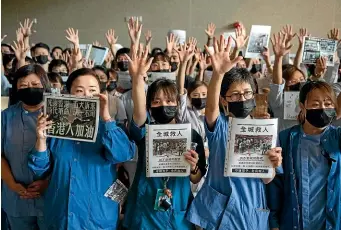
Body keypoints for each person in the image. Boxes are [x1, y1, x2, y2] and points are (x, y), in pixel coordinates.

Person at [186, 35, 282, 230]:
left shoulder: (264, 130)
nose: (243, 98)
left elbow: (268, 178)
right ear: (224, 101)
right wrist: (218, 73)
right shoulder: (220, 126)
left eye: (247, 93)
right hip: (217, 210)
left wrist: (273, 164)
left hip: (251, 207)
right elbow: (211, 108)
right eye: (235, 95)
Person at [27, 68, 136, 229]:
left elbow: (122, 155)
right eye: (79, 90)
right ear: (68, 93)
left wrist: (106, 117)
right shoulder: (56, 128)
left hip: (97, 216)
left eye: (92, 90)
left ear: (101, 94)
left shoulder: (109, 128)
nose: (86, 96)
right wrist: (41, 139)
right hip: (60, 215)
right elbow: (40, 170)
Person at [123, 44, 207, 229]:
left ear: (178, 104)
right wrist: (137, 78)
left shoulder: (191, 135)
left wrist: (193, 167)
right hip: (144, 208)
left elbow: (196, 177)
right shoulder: (146, 131)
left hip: (178, 207)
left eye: (169, 100)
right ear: (150, 107)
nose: (163, 105)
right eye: (156, 101)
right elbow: (138, 113)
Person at [267, 81, 340, 230]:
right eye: (315, 104)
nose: (322, 109)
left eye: (328, 104)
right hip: (293, 222)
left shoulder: (337, 138)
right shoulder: (286, 138)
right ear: (302, 106)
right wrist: (274, 222)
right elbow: (276, 183)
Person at [2, 64, 51, 230]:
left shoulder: (58, 115)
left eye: (35, 85)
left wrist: (48, 182)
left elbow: (67, 157)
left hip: (50, 195)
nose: (30, 89)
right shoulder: (6, 116)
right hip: (16, 198)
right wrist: (12, 184)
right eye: (23, 86)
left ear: (45, 85)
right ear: (16, 89)